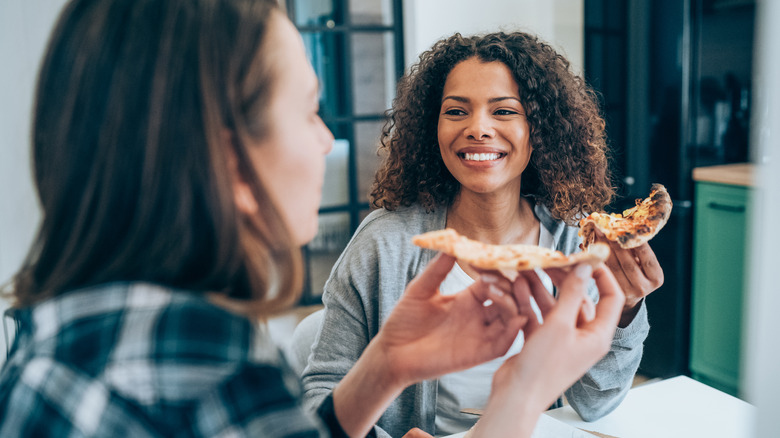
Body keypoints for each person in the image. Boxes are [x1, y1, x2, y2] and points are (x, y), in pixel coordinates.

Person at [0, 1, 625, 437]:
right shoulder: (195, 364)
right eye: (307, 111)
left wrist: (386, 365)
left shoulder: (66, 334)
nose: (327, 141)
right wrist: (522, 389)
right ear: (225, 156)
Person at [302, 31, 663, 437]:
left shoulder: (576, 242)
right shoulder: (383, 245)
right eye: (456, 111)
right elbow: (320, 395)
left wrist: (626, 308)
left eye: (504, 111)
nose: (478, 128)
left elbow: (596, 403)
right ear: (430, 126)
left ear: (539, 128)